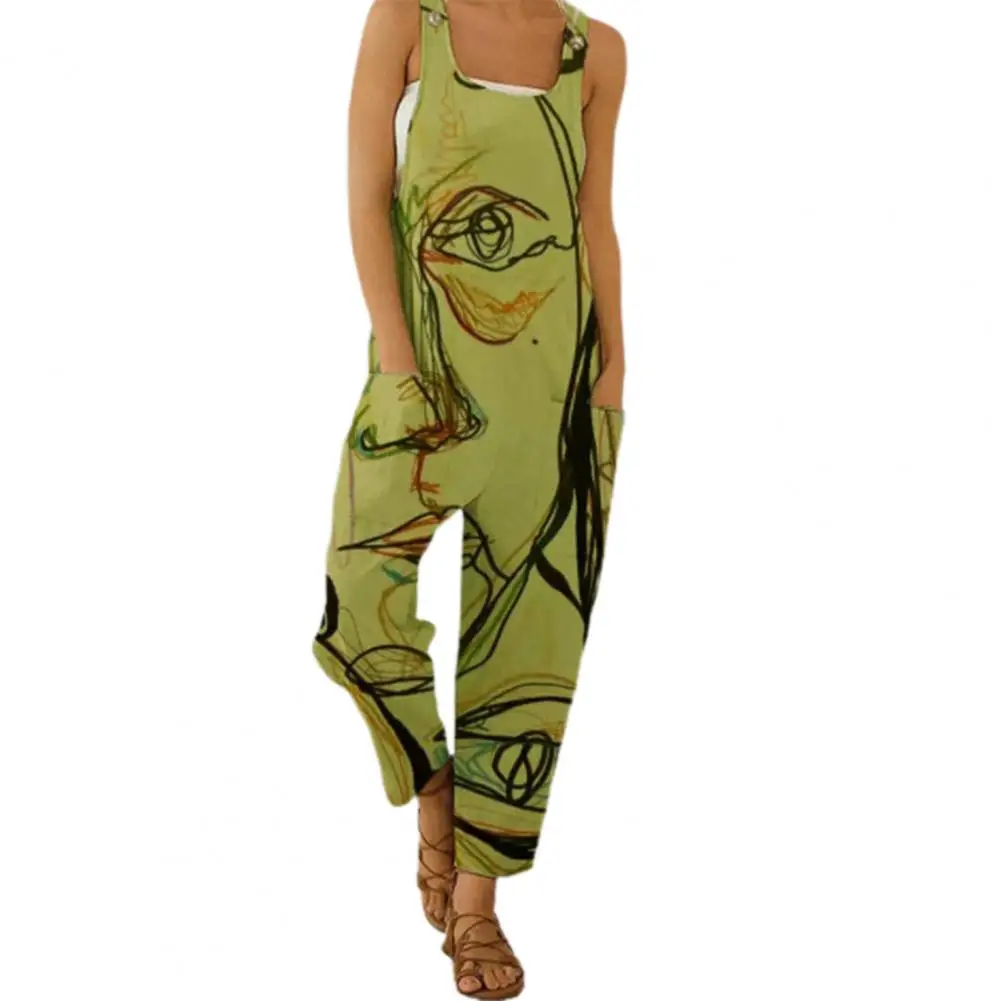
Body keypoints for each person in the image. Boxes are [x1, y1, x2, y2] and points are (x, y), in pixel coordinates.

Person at [312, 0, 626, 996]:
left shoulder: (594, 51)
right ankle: (434, 779)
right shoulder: (410, 19)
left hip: (557, 388)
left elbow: (590, 217)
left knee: (530, 643)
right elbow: (369, 193)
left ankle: (478, 910)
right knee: (359, 594)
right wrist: (397, 360)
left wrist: (613, 370)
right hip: (423, 378)